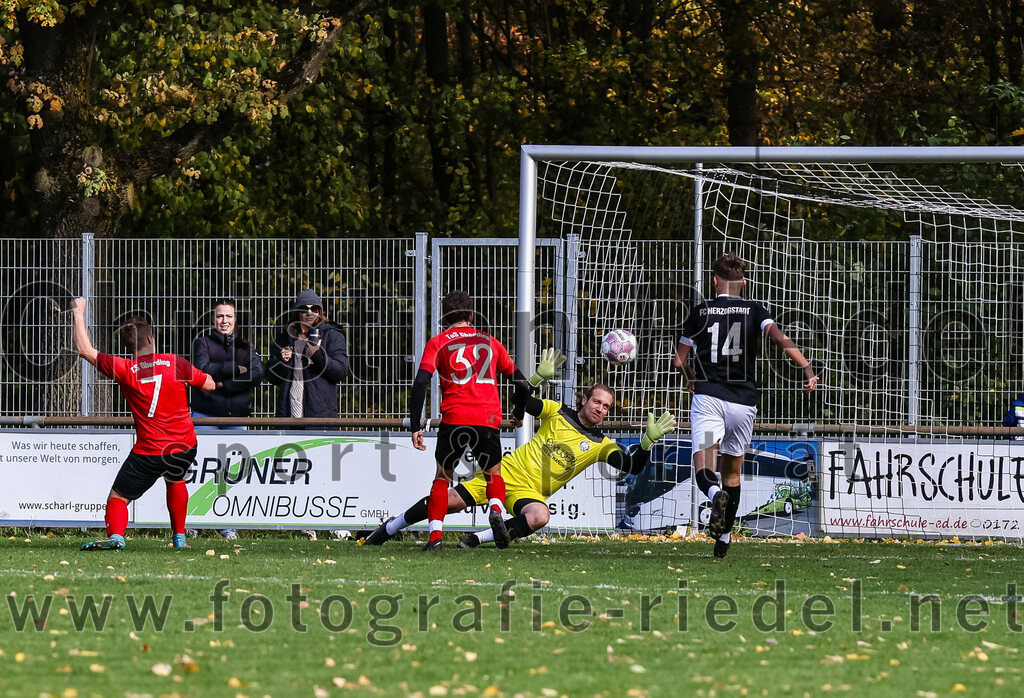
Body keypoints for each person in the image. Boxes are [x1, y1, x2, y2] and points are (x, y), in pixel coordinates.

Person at [364, 369, 677, 548]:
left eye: (607, 407)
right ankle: (390, 528)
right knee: (446, 500)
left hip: (529, 494)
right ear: (584, 399)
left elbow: (632, 466)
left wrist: (647, 442)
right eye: (597, 401)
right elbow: (523, 402)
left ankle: (475, 539)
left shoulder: (600, 444)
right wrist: (537, 378)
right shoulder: (557, 412)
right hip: (503, 475)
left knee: (540, 516)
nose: (600, 409)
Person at [672, 253, 817, 559]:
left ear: (714, 281)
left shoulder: (700, 312)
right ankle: (724, 535)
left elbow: (679, 360)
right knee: (732, 473)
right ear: (744, 282)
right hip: (742, 405)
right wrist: (806, 367)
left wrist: (690, 377)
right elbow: (779, 338)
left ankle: (715, 497)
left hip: (709, 401)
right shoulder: (755, 310)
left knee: (705, 467)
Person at [71, 298, 215, 551]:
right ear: (150, 339)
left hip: (149, 451)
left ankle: (116, 536)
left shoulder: (126, 369)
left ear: (129, 346)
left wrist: (78, 313)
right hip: (183, 446)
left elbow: (85, 350)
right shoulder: (175, 363)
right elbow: (209, 385)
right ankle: (179, 538)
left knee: (118, 497)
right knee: (176, 479)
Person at [405, 291, 539, 552]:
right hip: (487, 419)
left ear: (445, 319)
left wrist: (415, 425)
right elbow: (523, 384)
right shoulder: (491, 342)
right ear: (470, 315)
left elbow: (421, 382)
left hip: (454, 418)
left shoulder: (438, 343)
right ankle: (496, 511)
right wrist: (518, 414)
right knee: (493, 475)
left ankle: (435, 539)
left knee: (442, 478)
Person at [266, 289, 349, 540]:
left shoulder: (332, 335)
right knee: (297, 470)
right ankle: (305, 524)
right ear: (296, 312)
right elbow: (270, 375)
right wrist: (282, 361)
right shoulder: (285, 337)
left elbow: (341, 372)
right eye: (304, 309)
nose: (309, 314)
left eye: (314, 309)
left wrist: (317, 353)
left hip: (321, 413)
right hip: (291, 413)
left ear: (320, 312)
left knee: (327, 470)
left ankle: (335, 523)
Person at [189, 299, 264, 540]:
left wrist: (225, 382)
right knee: (200, 469)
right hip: (205, 414)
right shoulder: (202, 343)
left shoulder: (247, 346)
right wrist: (235, 367)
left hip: (236, 416)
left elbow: (257, 373)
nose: (224, 321)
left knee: (231, 472)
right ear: (213, 319)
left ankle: (227, 524)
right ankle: (196, 521)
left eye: (229, 316)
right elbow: (202, 369)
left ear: (235, 319)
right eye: (220, 316)